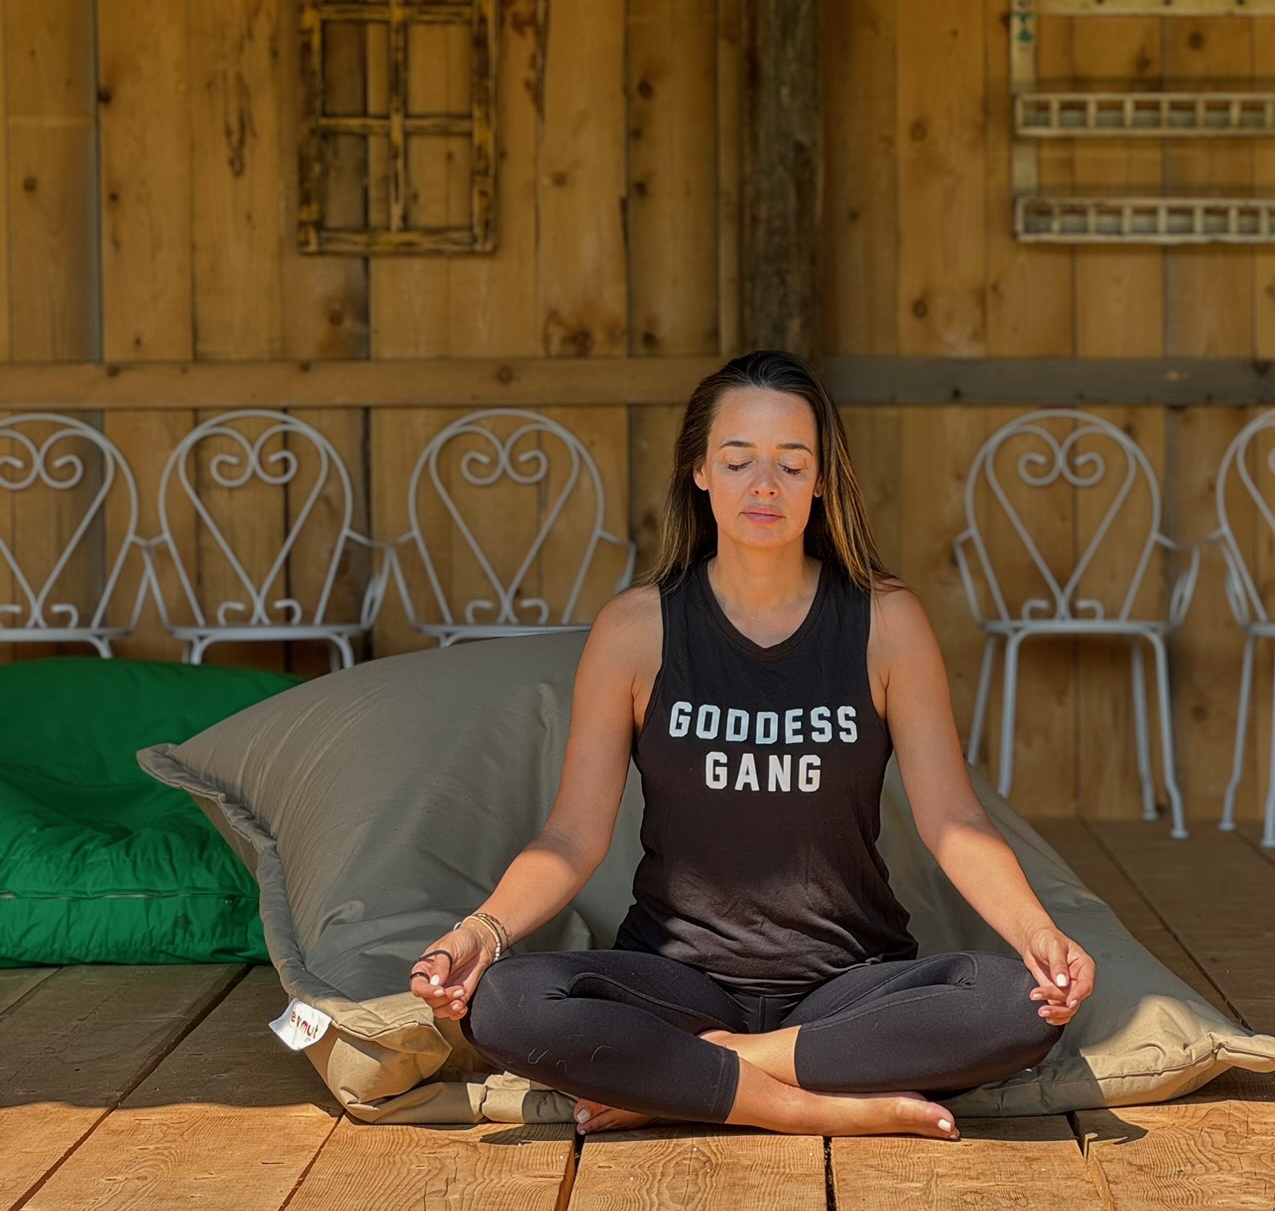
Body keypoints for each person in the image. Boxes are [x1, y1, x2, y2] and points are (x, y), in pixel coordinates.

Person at [409, 351, 1094, 1142]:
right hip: (676, 982)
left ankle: (690, 1077)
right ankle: (812, 1107)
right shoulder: (636, 629)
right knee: (504, 1004)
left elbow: (954, 822)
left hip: (848, 985)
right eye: (738, 461)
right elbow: (572, 835)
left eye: (791, 464)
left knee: (1020, 1007)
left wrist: (1039, 935)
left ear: (821, 481)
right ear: (700, 471)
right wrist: (481, 932)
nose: (764, 485)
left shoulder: (885, 623)